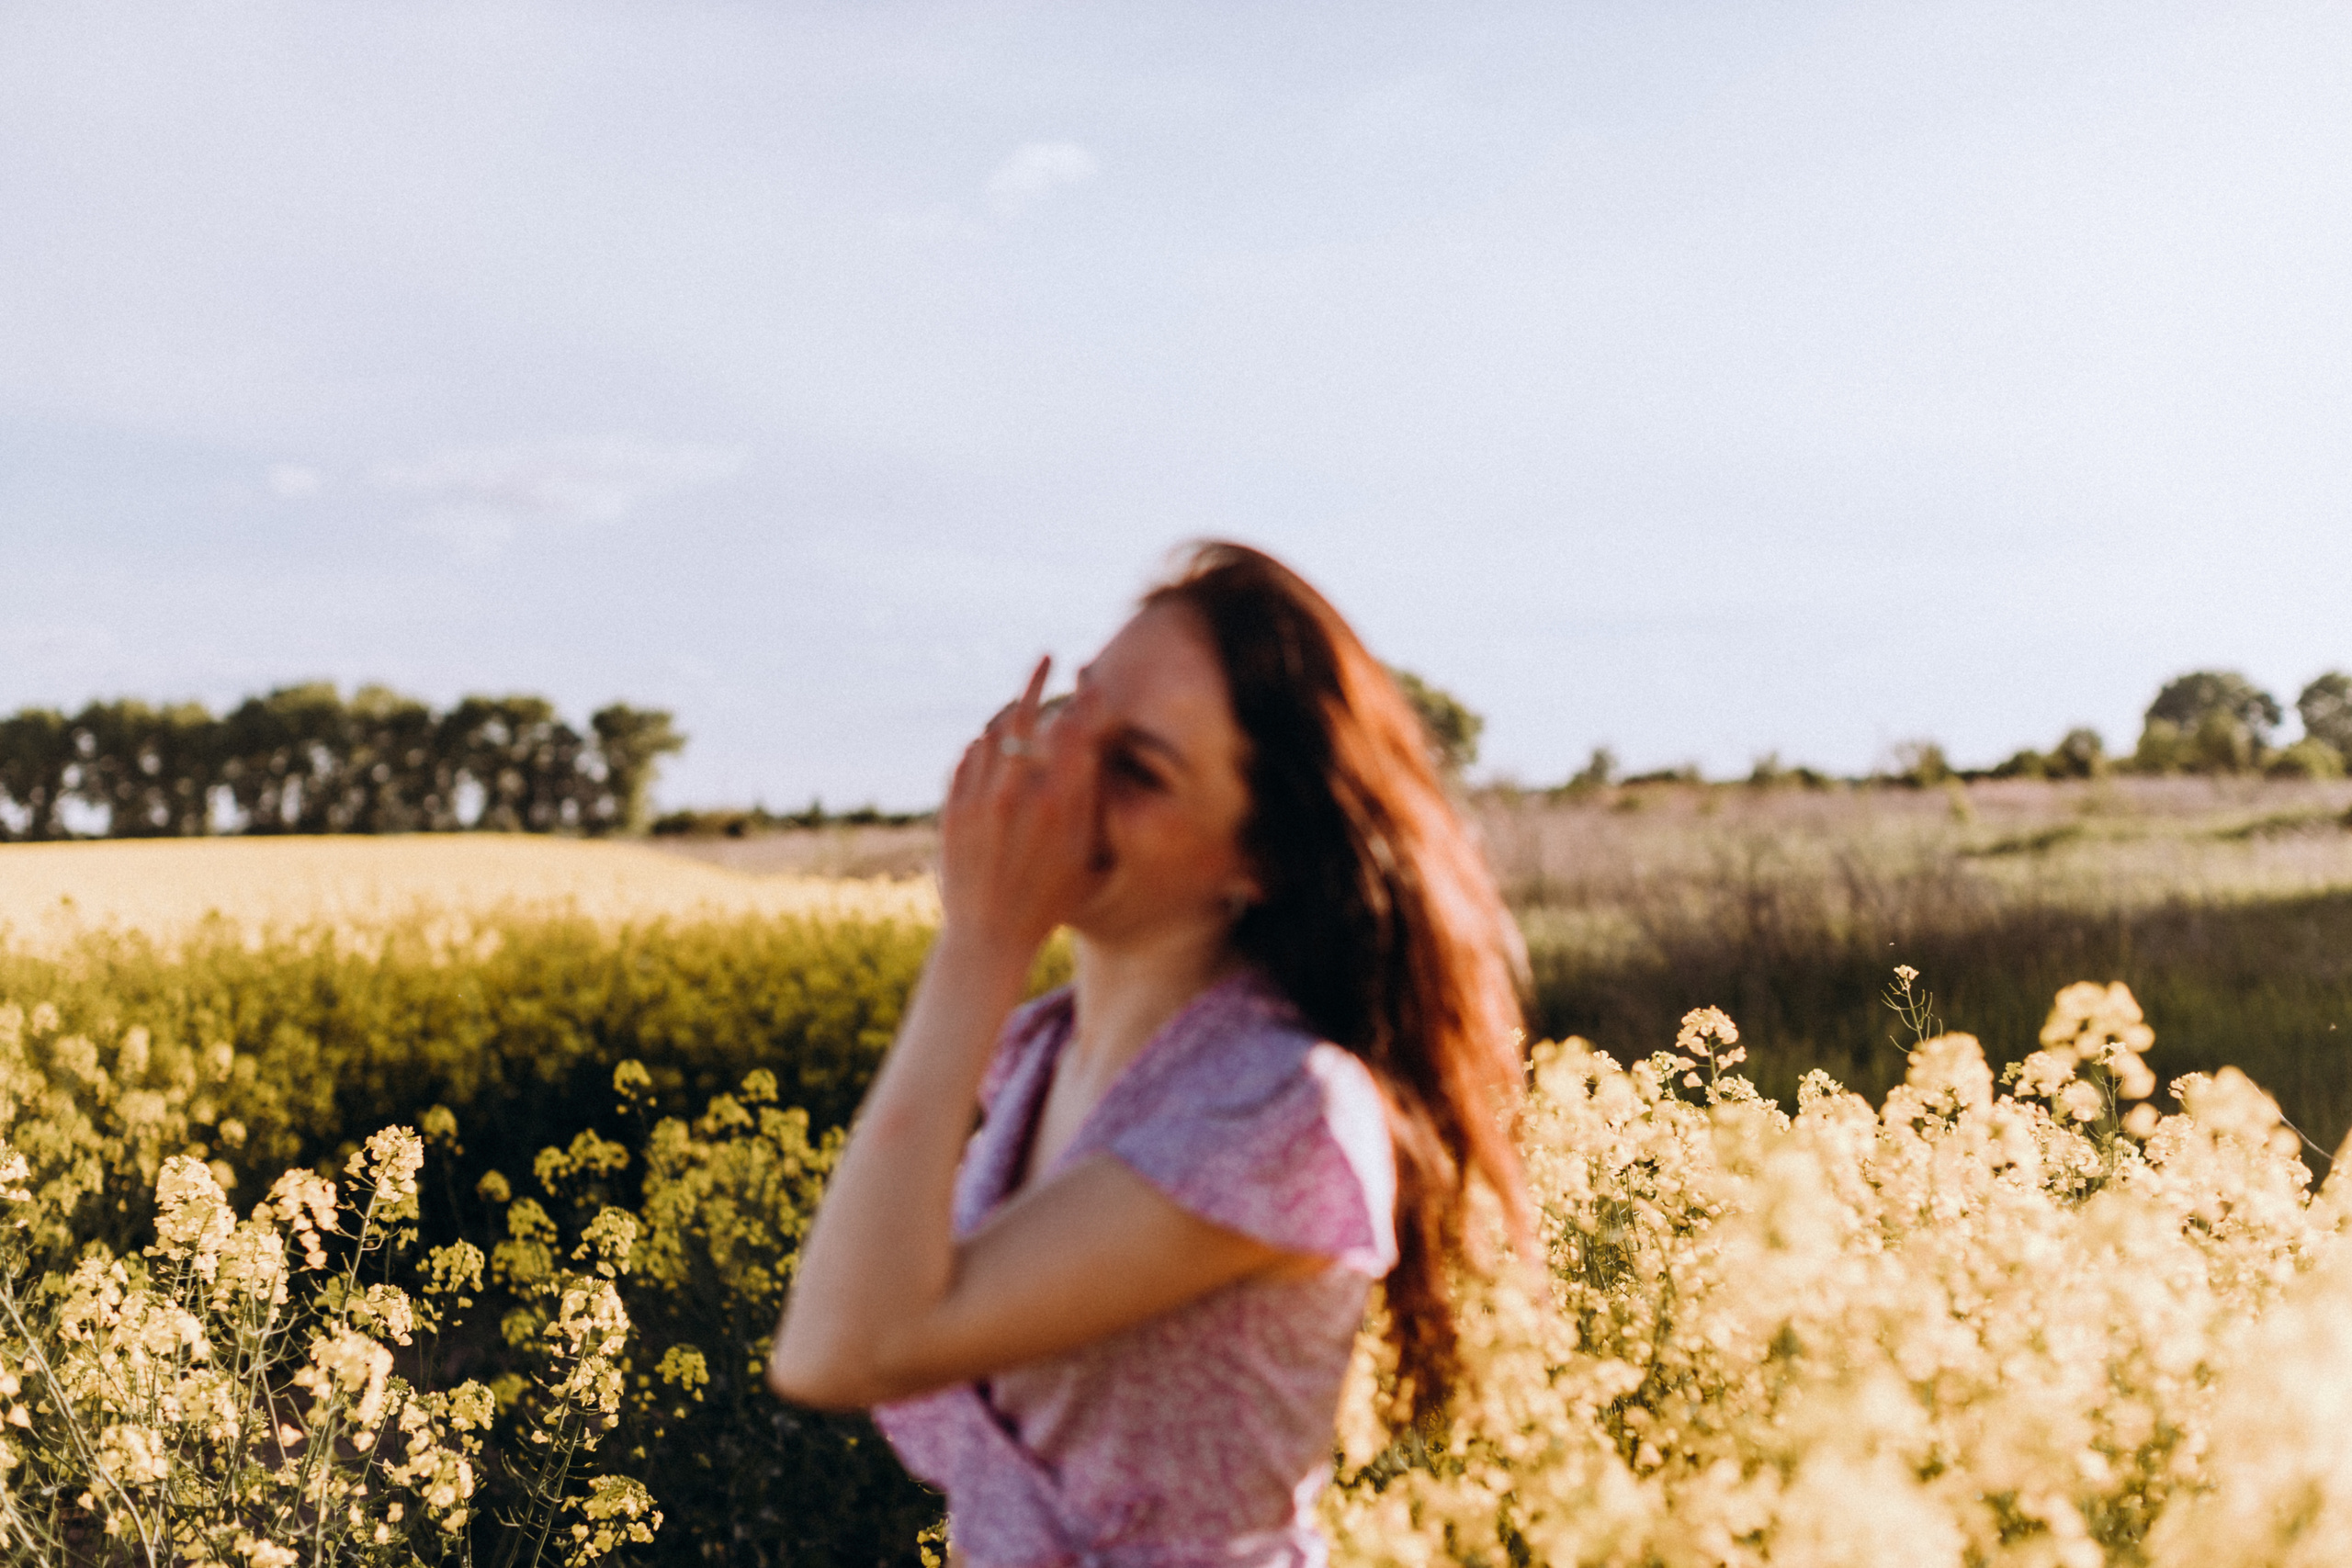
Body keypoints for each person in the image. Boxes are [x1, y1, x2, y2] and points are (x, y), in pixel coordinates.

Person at [766, 541, 1531, 1568]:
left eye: (1136, 770)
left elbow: (844, 1349)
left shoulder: (1282, 1109)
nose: (1065, 781)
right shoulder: (1038, 1057)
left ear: (1257, 860)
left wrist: (982, 941)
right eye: (1076, 713)